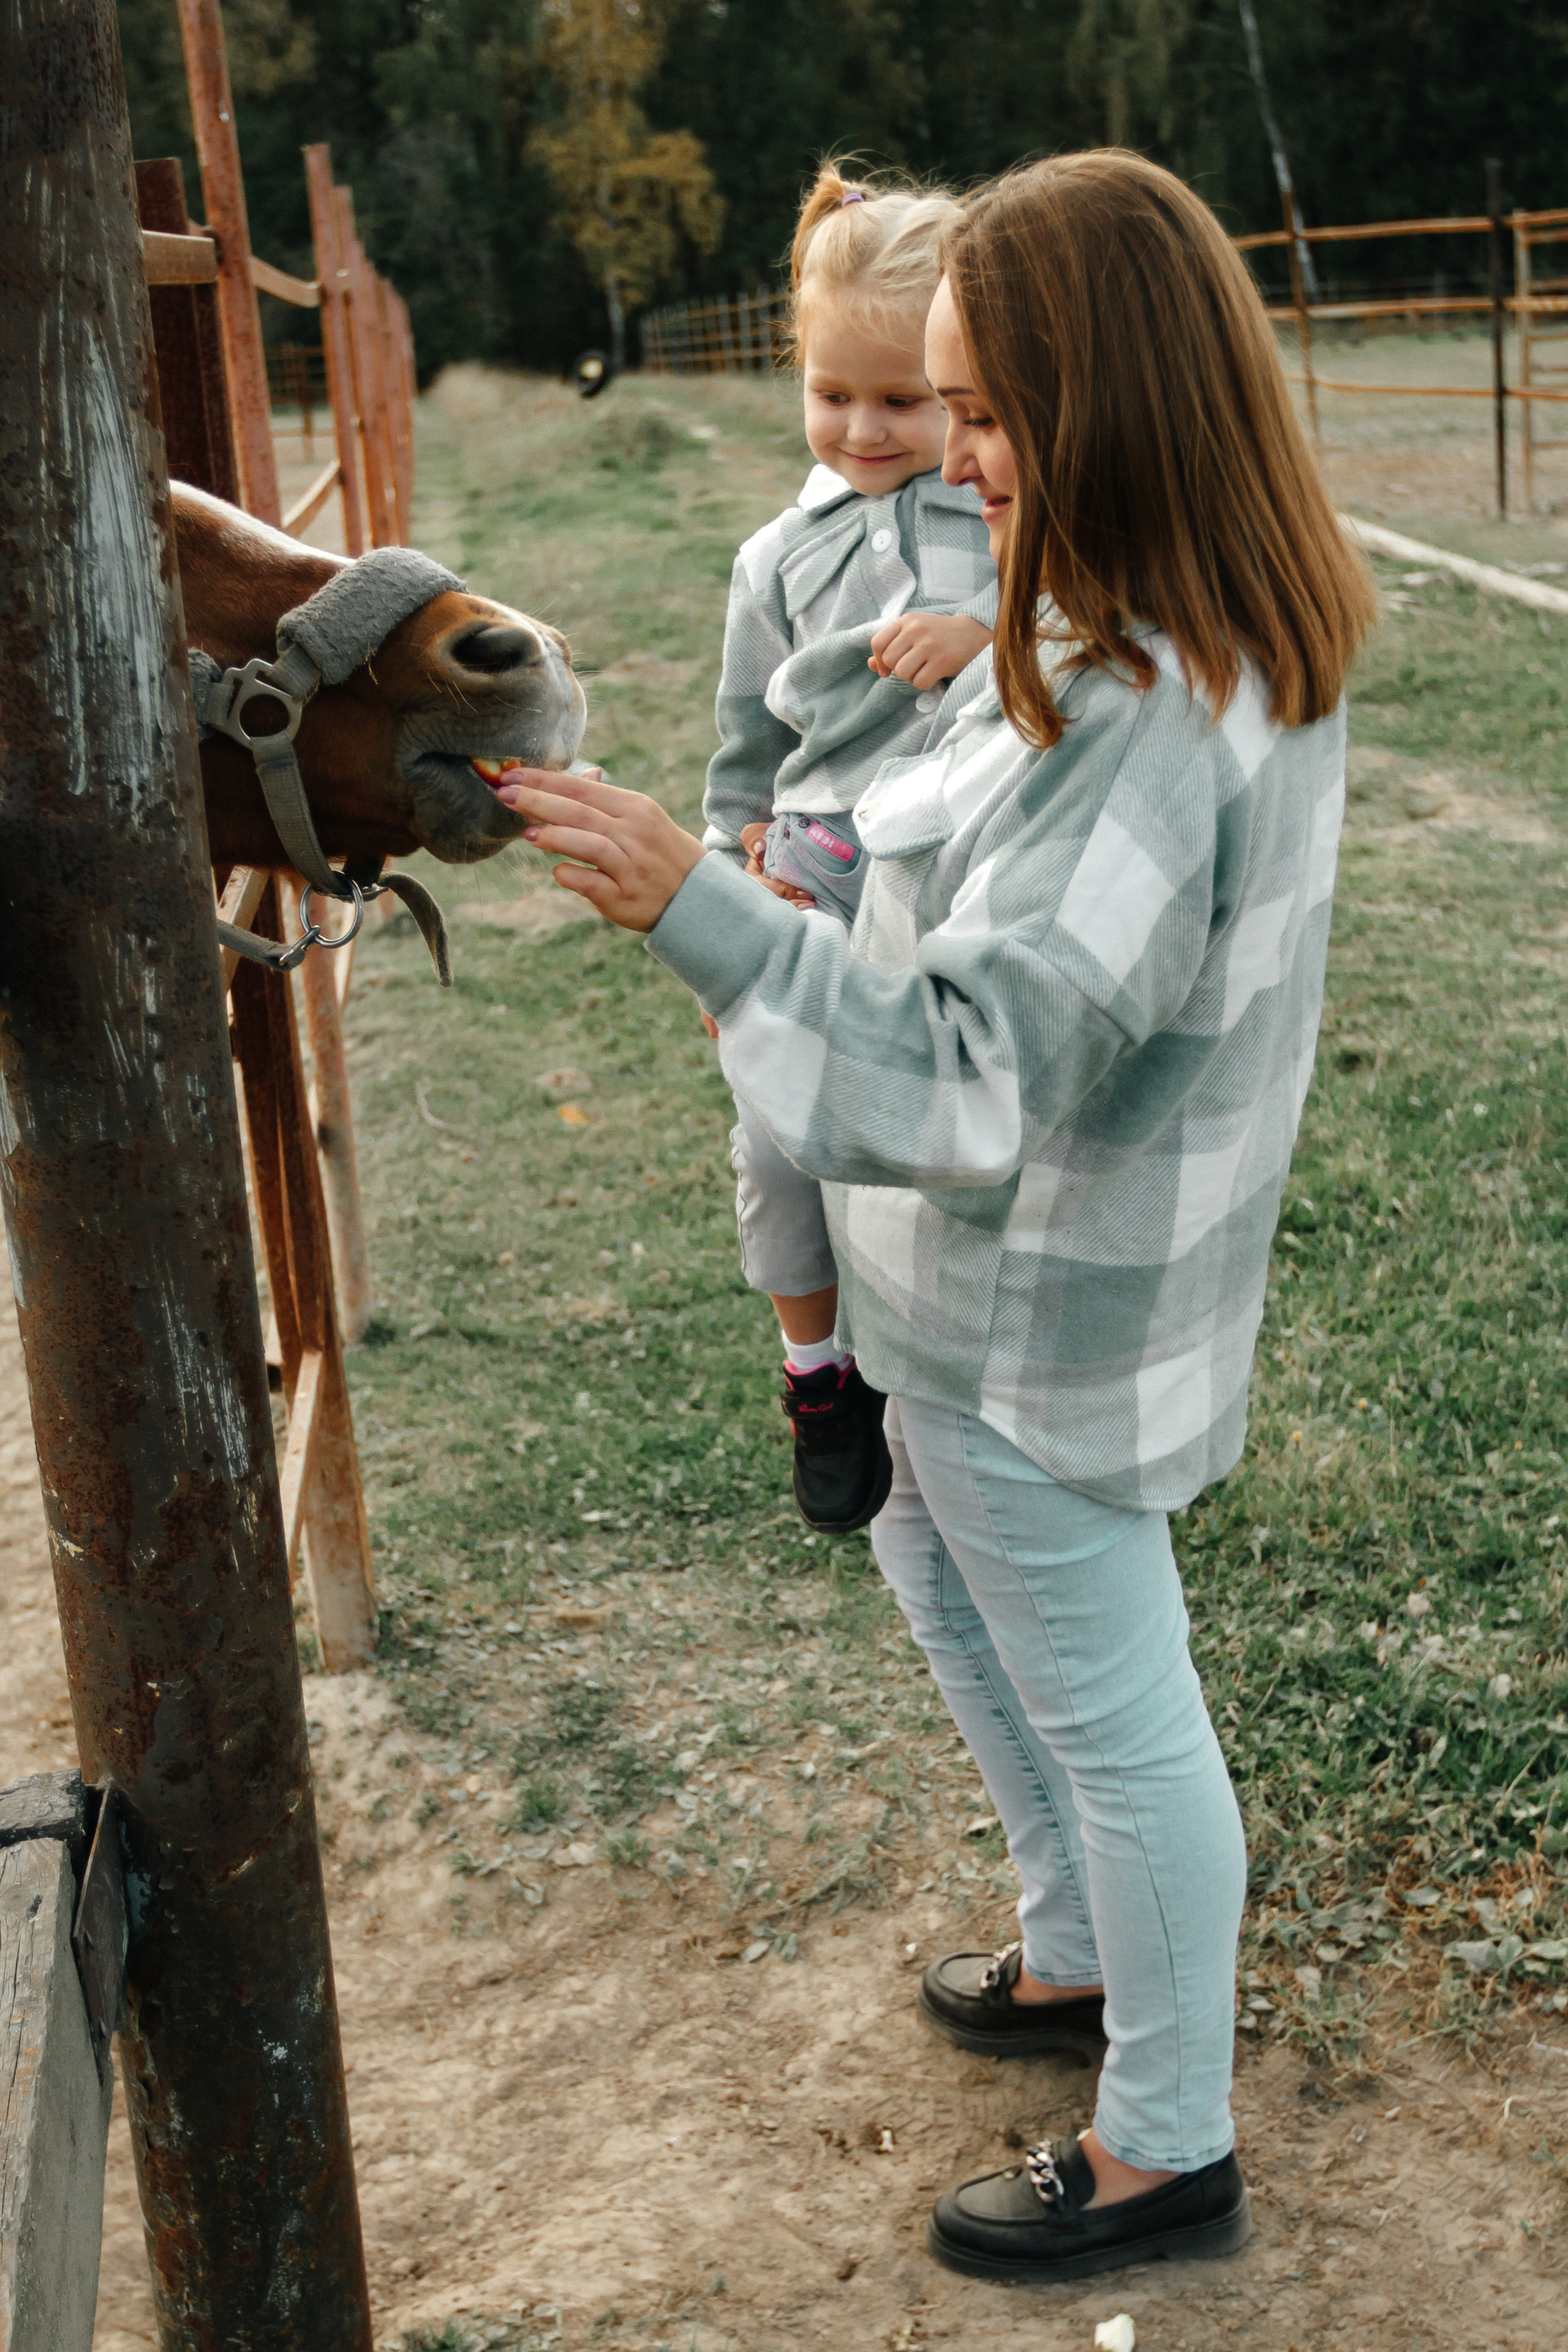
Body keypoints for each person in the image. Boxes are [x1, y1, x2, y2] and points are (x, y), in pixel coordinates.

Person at [497, 149, 1374, 2284]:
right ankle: (1078, 1954)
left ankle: (1170, 2142)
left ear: (1114, 399)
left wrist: (702, 913)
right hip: (951, 1297)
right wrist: (788, 869)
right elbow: (926, 837)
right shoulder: (1088, 628)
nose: (949, 452)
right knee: (942, 1579)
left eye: (983, 411)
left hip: (1038, 1307)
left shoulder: (1162, 707)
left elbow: (984, 1067)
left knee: (1112, 1704)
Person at [702, 161, 997, 1538]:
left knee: (943, 1120)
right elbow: (739, 759)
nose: (863, 428)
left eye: (902, 397)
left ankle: (940, 1358)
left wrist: (992, 637)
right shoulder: (775, 559)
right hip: (818, 868)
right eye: (831, 394)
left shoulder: (1010, 514)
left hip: (963, 865)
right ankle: (817, 1373)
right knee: (779, 1138)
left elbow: (1098, 643)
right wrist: (730, 888)